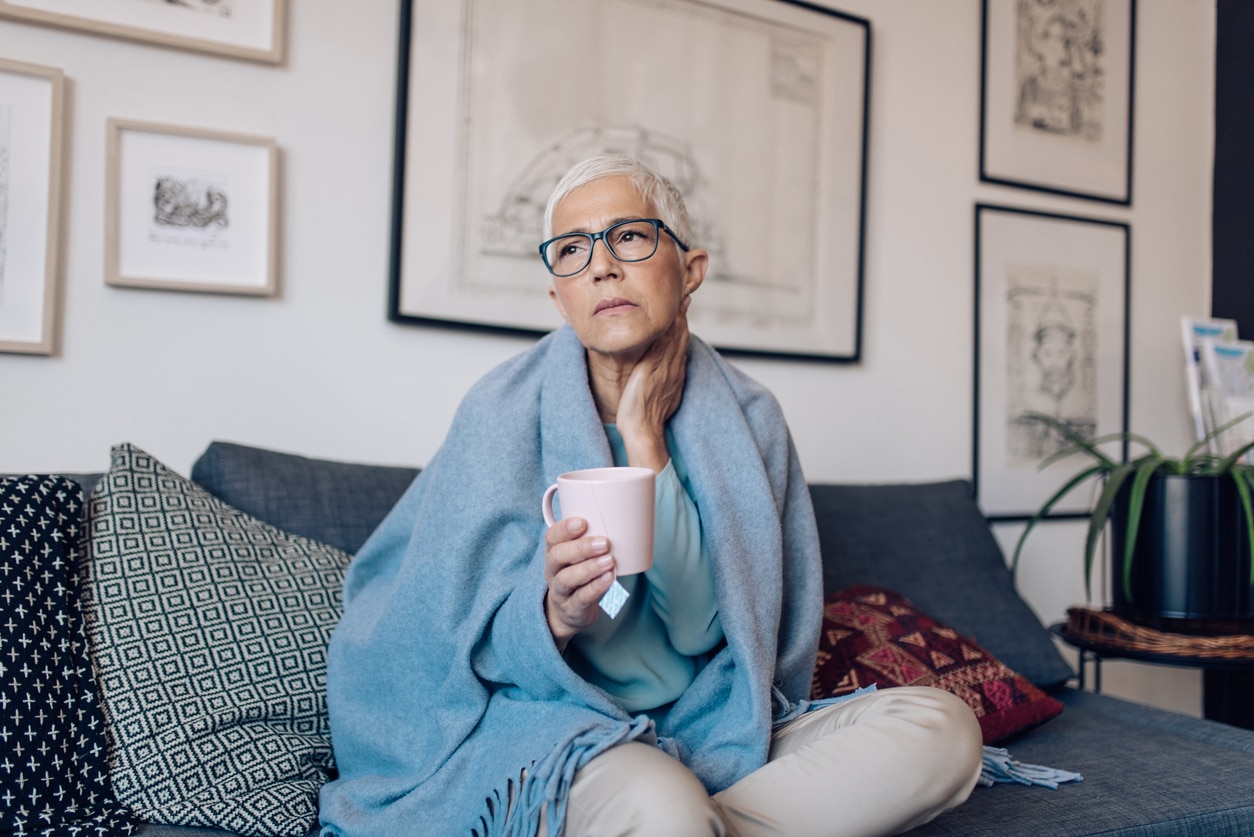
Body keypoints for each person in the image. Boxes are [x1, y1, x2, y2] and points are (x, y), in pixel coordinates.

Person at [318, 154, 984, 837]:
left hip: (718, 717)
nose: (601, 265)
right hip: (565, 728)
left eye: (629, 237)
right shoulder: (499, 412)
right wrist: (551, 612)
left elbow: (707, 631)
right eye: (573, 251)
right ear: (559, 298)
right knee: (658, 801)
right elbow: (428, 629)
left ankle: (697, 824)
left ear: (690, 269)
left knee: (943, 729)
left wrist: (645, 437)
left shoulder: (751, 418)